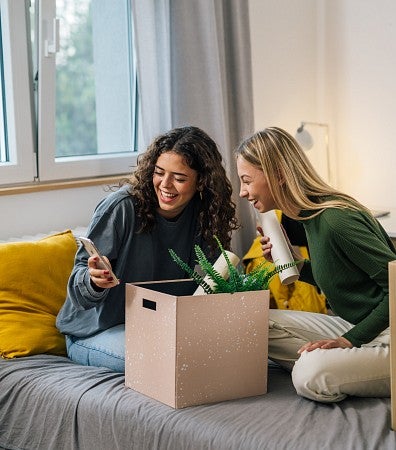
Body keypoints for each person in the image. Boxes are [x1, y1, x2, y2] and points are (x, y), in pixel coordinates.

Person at [56, 126, 239, 372]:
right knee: (168, 363)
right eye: (159, 173)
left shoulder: (204, 215)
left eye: (180, 178)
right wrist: (94, 281)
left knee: (224, 356)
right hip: (95, 331)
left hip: (158, 327)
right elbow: (79, 279)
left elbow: (221, 276)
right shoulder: (122, 207)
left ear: (201, 183)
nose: (165, 184)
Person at [236, 126, 396, 403]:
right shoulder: (310, 217)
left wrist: (348, 341)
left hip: (388, 333)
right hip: (361, 326)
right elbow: (337, 276)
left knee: (309, 375)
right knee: (254, 322)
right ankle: (345, 364)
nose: (242, 192)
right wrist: (293, 264)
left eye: (247, 181)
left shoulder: (336, 220)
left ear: (279, 175)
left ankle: (337, 365)